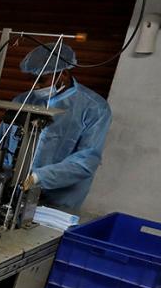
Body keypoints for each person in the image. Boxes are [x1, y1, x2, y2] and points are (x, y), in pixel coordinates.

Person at [10, 43, 112, 212]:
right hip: (13, 194)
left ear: (63, 74)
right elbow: (5, 141)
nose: (35, 86)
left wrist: (38, 177)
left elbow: (86, 161)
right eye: (32, 79)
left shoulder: (95, 108)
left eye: (41, 79)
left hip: (58, 202)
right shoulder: (23, 101)